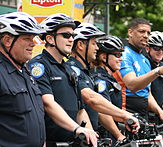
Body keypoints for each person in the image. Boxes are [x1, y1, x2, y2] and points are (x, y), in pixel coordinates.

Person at [28, 13, 98, 146]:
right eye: (66, 35)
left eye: (73, 35)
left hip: (73, 142)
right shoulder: (39, 66)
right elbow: (48, 104)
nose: (71, 39)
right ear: (50, 39)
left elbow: (80, 111)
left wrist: (91, 137)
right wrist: (77, 128)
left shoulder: (69, 69)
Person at [66, 23, 140, 133]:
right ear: (80, 45)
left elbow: (96, 110)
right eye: (94, 43)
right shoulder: (72, 70)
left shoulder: (85, 72)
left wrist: (126, 117)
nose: (97, 48)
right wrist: (123, 121)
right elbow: (93, 100)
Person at [114, 18, 163, 122]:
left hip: (144, 114)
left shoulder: (145, 59)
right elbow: (131, 85)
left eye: (148, 33)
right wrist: (157, 72)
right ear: (130, 32)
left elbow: (147, 93)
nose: (145, 35)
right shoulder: (124, 55)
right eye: (141, 31)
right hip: (127, 113)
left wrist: (161, 112)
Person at [0, 12, 45, 147]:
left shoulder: (25, 71)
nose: (33, 44)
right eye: (27, 38)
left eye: (34, 38)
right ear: (8, 40)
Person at [90, 35, 126, 141]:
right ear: (104, 57)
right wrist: (119, 135)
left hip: (111, 133)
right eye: (117, 55)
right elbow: (103, 112)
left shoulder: (109, 77)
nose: (121, 58)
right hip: (105, 136)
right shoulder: (99, 80)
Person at [143, 31, 163, 124]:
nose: (160, 51)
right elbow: (147, 93)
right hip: (147, 115)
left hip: (159, 113)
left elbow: (161, 92)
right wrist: (160, 111)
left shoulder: (161, 65)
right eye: (156, 48)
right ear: (147, 48)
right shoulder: (145, 64)